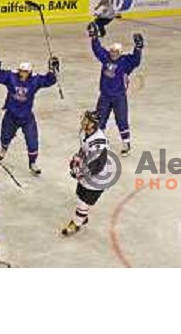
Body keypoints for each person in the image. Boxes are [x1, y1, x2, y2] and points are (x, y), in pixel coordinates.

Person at [0, 55, 59, 175]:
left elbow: (49, 80)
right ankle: (4, 149)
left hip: (26, 117)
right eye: (20, 71)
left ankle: (33, 163)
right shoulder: (11, 77)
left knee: (32, 140)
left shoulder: (35, 80)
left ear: (29, 72)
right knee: (5, 135)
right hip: (11, 115)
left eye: (25, 71)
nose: (22, 73)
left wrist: (53, 70)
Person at [88, 24, 144, 156]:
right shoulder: (106, 58)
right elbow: (98, 50)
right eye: (111, 51)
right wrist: (94, 37)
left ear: (120, 53)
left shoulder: (125, 62)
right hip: (105, 96)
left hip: (119, 96)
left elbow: (136, 60)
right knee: (100, 120)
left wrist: (138, 48)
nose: (112, 54)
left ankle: (126, 143)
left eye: (115, 52)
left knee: (122, 120)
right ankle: (98, 143)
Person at [62, 110, 112, 236]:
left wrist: (82, 172)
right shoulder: (83, 132)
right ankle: (82, 217)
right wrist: (76, 162)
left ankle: (76, 223)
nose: (82, 121)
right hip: (88, 169)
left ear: (92, 124)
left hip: (98, 176)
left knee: (85, 202)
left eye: (86, 120)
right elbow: (84, 149)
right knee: (79, 194)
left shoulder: (99, 141)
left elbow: (99, 164)